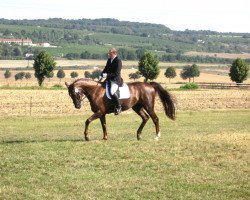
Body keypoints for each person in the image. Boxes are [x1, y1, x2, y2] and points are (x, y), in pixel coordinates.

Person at [99, 48, 123, 115]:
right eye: (109, 53)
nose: (108, 54)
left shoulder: (118, 61)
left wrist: (107, 75)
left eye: (109, 53)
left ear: (114, 53)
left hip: (115, 80)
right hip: (109, 79)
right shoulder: (109, 60)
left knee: (112, 91)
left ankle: (119, 107)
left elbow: (116, 73)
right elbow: (106, 68)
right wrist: (101, 75)